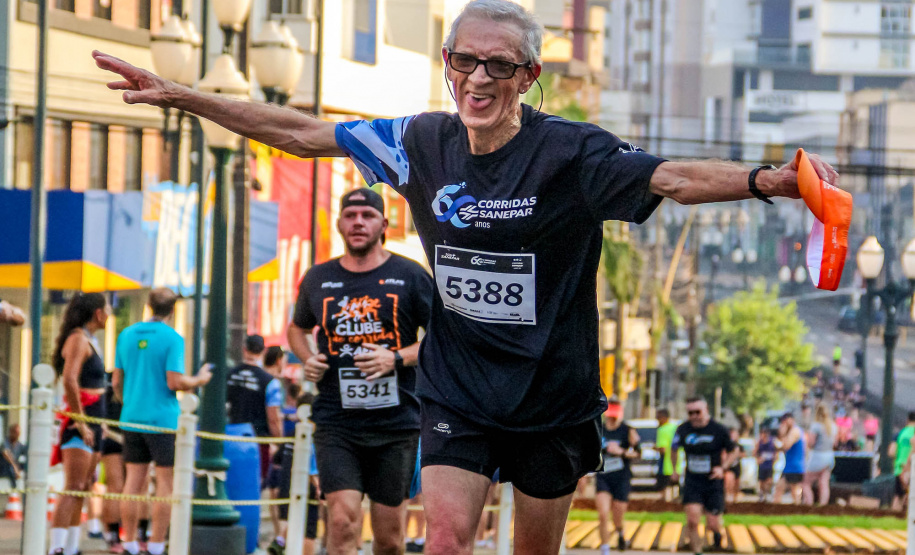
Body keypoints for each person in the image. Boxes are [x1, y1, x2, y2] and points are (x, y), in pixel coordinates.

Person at [93, 0, 840, 548]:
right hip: (457, 385)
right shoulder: (418, 141)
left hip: (553, 390)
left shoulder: (571, 155)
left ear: (527, 76)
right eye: (463, 60)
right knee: (447, 537)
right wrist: (184, 97)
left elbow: (672, 176)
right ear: (447, 64)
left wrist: (769, 179)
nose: (477, 78)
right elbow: (299, 131)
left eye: (499, 65)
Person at [286, 187, 433, 555]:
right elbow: (297, 328)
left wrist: (395, 358)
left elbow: (442, 338)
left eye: (367, 216)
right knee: (342, 520)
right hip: (337, 420)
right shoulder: (319, 277)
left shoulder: (409, 275)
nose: (358, 223)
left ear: (383, 224)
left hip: (396, 422)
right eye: (350, 216)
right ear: (338, 223)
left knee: (389, 538)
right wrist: (307, 358)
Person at [113, 288, 212, 555]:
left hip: (132, 418)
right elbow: (175, 381)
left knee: (133, 481)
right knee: (165, 483)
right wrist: (200, 379)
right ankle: (156, 544)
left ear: (148, 305)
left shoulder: (126, 334)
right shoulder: (173, 339)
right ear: (172, 309)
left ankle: (130, 542)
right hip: (163, 420)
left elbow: (116, 382)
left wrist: (129, 401)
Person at [48, 293, 110, 555]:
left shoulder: (91, 341)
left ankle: (72, 547)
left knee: (84, 487)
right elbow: (70, 380)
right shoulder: (78, 339)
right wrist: (81, 422)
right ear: (98, 312)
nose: (109, 313)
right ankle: (56, 548)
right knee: (72, 486)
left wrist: (99, 424)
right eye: (107, 309)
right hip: (80, 424)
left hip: (96, 421)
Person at [671, 398, 735, 555]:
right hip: (693, 481)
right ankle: (697, 552)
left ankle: (718, 533)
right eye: (690, 413)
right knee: (692, 521)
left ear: (706, 410)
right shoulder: (683, 429)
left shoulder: (719, 430)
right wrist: (675, 469)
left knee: (713, 523)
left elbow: (734, 451)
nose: (694, 416)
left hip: (713, 482)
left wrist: (723, 468)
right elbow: (673, 449)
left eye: (697, 412)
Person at [226, 333, 283, 482]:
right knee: (255, 484)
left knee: (232, 482)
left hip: (231, 436)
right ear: (263, 351)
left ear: (244, 349)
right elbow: (273, 418)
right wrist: (278, 442)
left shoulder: (230, 375)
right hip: (258, 441)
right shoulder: (270, 382)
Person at [594, 400, 640, 554]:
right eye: (610, 416)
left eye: (615, 416)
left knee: (617, 516)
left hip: (621, 478)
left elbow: (638, 453)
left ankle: (620, 533)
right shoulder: (599, 429)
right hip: (603, 477)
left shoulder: (628, 430)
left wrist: (621, 451)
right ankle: (605, 548)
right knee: (603, 514)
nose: (612, 419)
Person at [100, 377, 126, 553]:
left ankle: (138, 534)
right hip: (113, 439)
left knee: (136, 487)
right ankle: (113, 535)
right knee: (115, 487)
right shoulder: (109, 385)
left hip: (132, 436)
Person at [803, 405, 836, 506]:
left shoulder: (816, 426)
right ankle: (823, 506)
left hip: (818, 457)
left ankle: (808, 504)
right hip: (829, 457)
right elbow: (835, 443)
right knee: (824, 483)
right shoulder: (833, 426)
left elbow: (811, 443)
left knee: (805, 482)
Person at [773, 412, 805, 504]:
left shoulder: (794, 431)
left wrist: (782, 434)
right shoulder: (793, 431)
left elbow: (786, 445)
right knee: (780, 488)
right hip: (790, 466)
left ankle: (797, 510)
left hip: (794, 467)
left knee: (794, 491)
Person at [890, 412, 915, 510]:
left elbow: (892, 451)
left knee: (898, 497)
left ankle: (893, 519)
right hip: (912, 469)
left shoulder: (900, 434)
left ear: (907, 420)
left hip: (900, 468)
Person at [655, 408, 677, 500]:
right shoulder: (675, 427)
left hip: (665, 462)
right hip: (677, 462)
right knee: (675, 484)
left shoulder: (662, 430)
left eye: (658, 417)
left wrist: (654, 448)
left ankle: (665, 502)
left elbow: (663, 449)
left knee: (663, 484)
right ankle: (675, 500)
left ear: (663, 418)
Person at [754, 427, 776, 502]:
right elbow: (755, 452)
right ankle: (762, 495)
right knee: (762, 482)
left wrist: (774, 459)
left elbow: (775, 453)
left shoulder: (772, 442)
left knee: (769, 481)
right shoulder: (759, 443)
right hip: (762, 466)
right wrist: (758, 459)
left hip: (769, 466)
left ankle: (768, 494)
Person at [724, 428, 744, 504]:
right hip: (729, 467)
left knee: (736, 483)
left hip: (736, 467)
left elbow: (743, 454)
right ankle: (728, 497)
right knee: (729, 481)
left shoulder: (739, 446)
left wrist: (738, 454)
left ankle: (734, 499)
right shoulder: (727, 445)